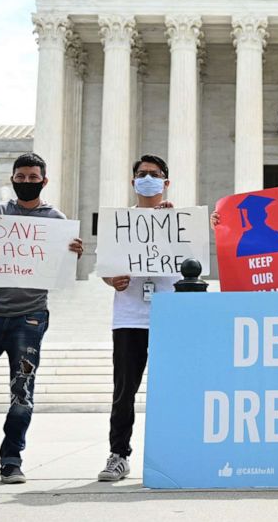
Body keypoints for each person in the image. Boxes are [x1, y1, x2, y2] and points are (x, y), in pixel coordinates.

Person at [0, 152, 83, 484]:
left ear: (44, 180)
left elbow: (60, 267)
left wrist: (72, 254)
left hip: (30, 317)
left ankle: (11, 460)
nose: (26, 182)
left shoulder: (56, 219)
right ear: (12, 179)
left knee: (22, 393)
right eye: (21, 177)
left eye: (32, 177)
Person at [97, 154, 181, 482]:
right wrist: (112, 280)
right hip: (130, 316)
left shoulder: (178, 220)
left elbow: (195, 262)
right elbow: (106, 268)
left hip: (170, 314)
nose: (148, 179)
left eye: (155, 174)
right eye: (143, 174)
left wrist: (179, 226)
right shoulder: (120, 223)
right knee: (124, 391)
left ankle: (174, 451)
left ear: (166, 182)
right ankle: (119, 454)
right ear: (133, 182)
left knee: (173, 389)